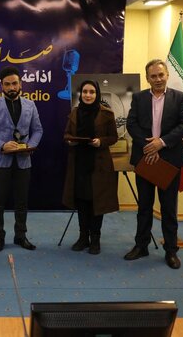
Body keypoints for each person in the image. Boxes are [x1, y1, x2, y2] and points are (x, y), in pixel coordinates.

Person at [124, 59, 183, 269]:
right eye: (153, 76)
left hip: (169, 159)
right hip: (145, 158)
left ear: (167, 75)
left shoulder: (179, 97)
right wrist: (149, 146)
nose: (158, 79)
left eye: (161, 75)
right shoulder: (138, 98)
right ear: (147, 78)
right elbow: (131, 124)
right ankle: (141, 246)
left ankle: (171, 250)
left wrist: (161, 143)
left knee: (168, 208)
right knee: (144, 207)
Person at [0, 66, 43, 253]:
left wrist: (30, 146)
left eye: (14, 83)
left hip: (24, 161)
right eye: (7, 84)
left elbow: (38, 130)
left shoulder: (30, 105)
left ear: (20, 84)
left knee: (22, 202)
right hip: (0, 161)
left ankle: (20, 236)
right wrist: (2, 145)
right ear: (2, 86)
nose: (11, 87)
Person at [63, 80, 118, 255]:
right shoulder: (75, 112)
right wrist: (70, 141)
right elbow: (66, 134)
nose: (88, 95)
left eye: (92, 92)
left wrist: (101, 141)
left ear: (97, 94)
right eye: (85, 91)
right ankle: (83, 237)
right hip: (79, 163)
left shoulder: (107, 113)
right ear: (81, 94)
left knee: (96, 202)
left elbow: (113, 137)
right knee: (81, 201)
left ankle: (95, 239)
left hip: (98, 164)